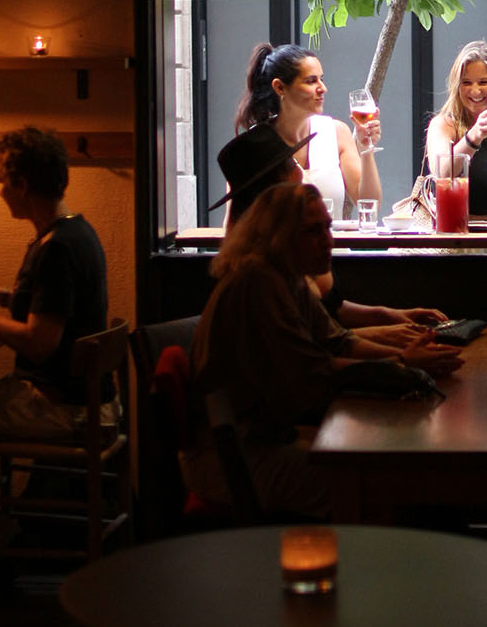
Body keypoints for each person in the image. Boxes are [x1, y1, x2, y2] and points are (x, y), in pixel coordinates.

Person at [183, 182, 462, 518]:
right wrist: (402, 360)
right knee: (379, 485)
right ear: (279, 237)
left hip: (261, 438)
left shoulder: (287, 277)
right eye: (313, 231)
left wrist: (405, 356)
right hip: (233, 458)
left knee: (388, 468)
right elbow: (311, 372)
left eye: (328, 227)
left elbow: (337, 340)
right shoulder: (258, 284)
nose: (329, 241)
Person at [213, 123, 448, 343]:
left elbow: (331, 312)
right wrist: (399, 345)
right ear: (277, 189)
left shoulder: (276, 250)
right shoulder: (263, 276)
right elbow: (322, 350)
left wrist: (391, 316)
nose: (300, 172)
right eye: (292, 165)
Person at [0, 127, 111, 442]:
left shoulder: (55, 249)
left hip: (63, 408)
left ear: (20, 185)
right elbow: (58, 305)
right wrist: (3, 297)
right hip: (84, 400)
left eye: (1, 183)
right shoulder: (78, 231)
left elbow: (39, 344)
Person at [235, 42, 381, 218]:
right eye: (311, 81)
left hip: (331, 245)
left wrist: (366, 150)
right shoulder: (255, 144)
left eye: (322, 79)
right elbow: (235, 222)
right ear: (280, 87)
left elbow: (370, 205)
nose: (323, 88)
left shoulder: (336, 133)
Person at [425, 40, 487, 226]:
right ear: (456, 86)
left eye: (484, 82)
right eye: (466, 82)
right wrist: (474, 136)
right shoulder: (444, 125)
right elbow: (443, 175)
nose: (475, 90)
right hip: (456, 234)